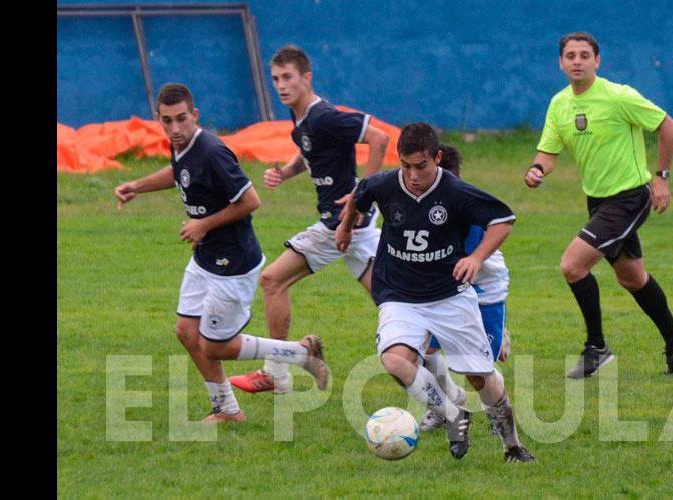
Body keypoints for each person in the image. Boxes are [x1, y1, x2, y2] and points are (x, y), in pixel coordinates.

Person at [113, 83, 329, 423]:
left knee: (214, 345)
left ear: (194, 115)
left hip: (233, 263)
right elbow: (179, 173)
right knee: (186, 333)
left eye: (181, 119)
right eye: (166, 121)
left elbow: (250, 200)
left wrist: (203, 225)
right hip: (205, 258)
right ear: (159, 119)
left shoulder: (212, 150)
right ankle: (227, 410)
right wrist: (137, 186)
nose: (174, 129)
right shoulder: (181, 146)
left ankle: (299, 352)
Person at [336, 123, 535, 463]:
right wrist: (345, 226)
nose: (413, 175)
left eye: (421, 166)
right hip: (399, 295)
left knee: (479, 376)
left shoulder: (455, 192)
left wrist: (475, 257)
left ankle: (512, 446)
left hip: (449, 296)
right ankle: (453, 414)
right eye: (406, 166)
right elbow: (362, 191)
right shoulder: (386, 184)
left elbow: (503, 219)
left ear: (437, 158)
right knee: (395, 359)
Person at [524, 32, 673, 379]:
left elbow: (667, 126)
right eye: (570, 56)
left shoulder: (619, 96)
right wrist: (538, 168)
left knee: (573, 266)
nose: (577, 61)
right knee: (632, 278)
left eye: (584, 55)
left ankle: (597, 347)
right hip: (598, 201)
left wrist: (661, 177)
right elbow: (549, 151)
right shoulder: (559, 104)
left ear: (596, 61)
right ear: (560, 63)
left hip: (629, 197)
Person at [228, 45, 390, 394]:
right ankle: (469, 326)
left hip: (341, 224)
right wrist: (286, 172)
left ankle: (276, 372)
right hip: (348, 227)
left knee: (272, 280)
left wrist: (364, 191)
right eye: (275, 79)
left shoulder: (325, 116)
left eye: (288, 77)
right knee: (396, 303)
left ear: (306, 78)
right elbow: (310, 150)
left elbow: (380, 138)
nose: (281, 85)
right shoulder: (302, 120)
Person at [413, 144, 513, 435]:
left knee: (479, 370)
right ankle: (446, 406)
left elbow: (458, 260)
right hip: (445, 290)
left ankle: (499, 416)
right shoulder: (422, 203)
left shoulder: (467, 207)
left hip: (484, 291)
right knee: (421, 351)